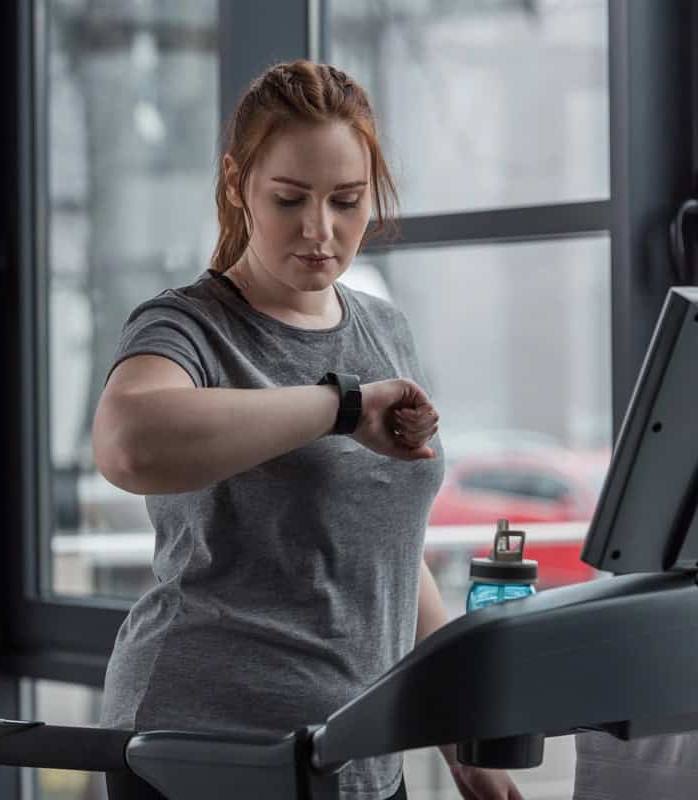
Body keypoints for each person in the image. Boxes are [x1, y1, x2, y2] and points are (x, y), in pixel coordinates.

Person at [92, 60, 523, 800]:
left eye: (347, 202)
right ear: (238, 185)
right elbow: (128, 443)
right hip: (205, 753)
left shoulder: (384, 329)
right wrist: (342, 409)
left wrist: (462, 737)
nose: (320, 231)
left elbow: (394, 546)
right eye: (289, 199)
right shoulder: (189, 325)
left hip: (359, 756)